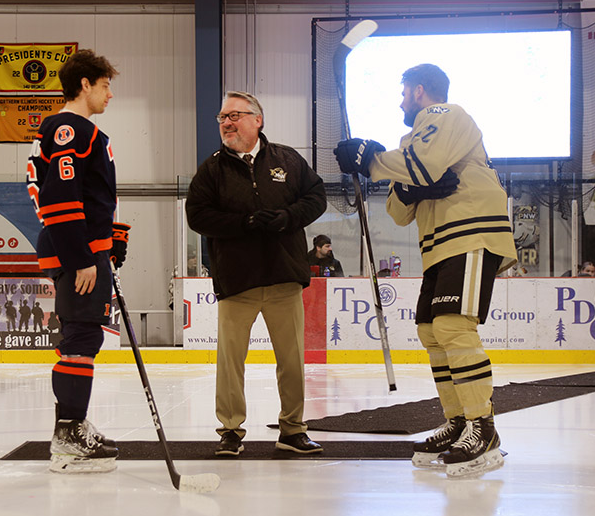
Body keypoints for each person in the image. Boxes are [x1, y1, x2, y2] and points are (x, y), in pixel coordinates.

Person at [334, 63, 517, 477]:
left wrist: (372, 161)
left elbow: (422, 164)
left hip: (471, 234)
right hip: (438, 246)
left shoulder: (445, 114)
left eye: (402, 93)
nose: (400, 101)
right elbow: (399, 210)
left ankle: (482, 426)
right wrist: (410, 181)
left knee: (453, 326)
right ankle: (458, 421)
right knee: (432, 332)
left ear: (419, 91)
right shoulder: (411, 141)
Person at [186, 91, 328, 457]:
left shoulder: (288, 160)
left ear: (256, 120)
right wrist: (243, 223)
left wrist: (287, 218)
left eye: (233, 115)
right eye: (221, 118)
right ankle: (231, 431)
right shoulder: (212, 169)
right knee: (230, 363)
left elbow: (316, 197)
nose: (226, 123)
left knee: (292, 360)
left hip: (283, 278)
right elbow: (197, 216)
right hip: (238, 283)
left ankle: (292, 429)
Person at [26, 49, 130, 473]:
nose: (110, 95)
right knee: (82, 340)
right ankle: (69, 434)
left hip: (85, 248)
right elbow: (61, 199)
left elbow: (93, 197)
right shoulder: (71, 128)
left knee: (79, 337)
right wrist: (84, 256)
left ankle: (72, 426)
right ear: (84, 84)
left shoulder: (75, 130)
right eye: (105, 85)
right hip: (77, 253)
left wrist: (113, 242)